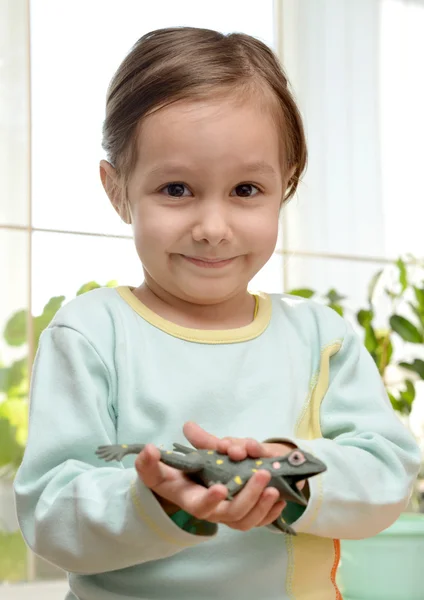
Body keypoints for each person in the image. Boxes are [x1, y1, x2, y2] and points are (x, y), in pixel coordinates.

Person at [14, 26, 420, 600]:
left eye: (247, 189)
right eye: (176, 189)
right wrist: (154, 501)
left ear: (286, 187)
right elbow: (51, 511)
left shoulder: (319, 337)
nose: (212, 228)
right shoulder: (90, 333)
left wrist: (291, 470)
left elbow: (387, 473)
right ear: (117, 189)